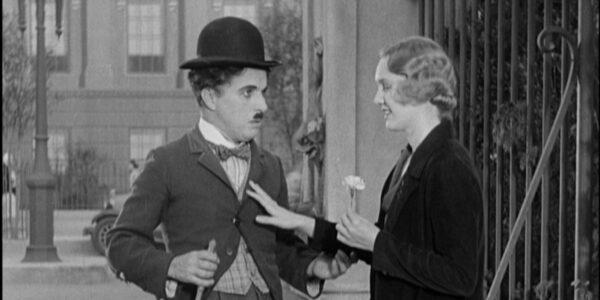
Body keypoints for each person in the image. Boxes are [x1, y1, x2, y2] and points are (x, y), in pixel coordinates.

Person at [106, 17, 350, 300]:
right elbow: (120, 243)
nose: (263, 105)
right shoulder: (167, 163)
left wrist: (315, 266)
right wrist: (172, 266)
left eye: (263, 92)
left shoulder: (270, 167)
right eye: (248, 93)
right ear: (210, 97)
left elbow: (278, 248)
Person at [247, 36, 484, 300]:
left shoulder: (449, 165)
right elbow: (384, 247)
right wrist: (303, 223)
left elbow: (461, 277)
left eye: (385, 86)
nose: (376, 98)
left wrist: (377, 242)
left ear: (420, 86)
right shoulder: (410, 159)